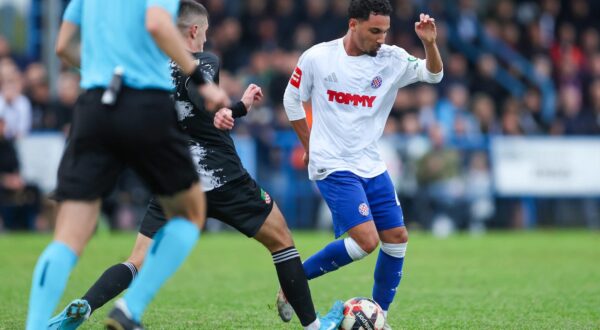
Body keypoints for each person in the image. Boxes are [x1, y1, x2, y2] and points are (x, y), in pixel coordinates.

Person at [47, 2, 343, 330]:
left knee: (137, 261)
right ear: (193, 31)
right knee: (282, 240)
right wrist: (217, 105)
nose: (205, 41)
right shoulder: (205, 61)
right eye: (204, 34)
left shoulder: (149, 68)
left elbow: (195, 109)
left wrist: (237, 108)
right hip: (223, 177)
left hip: (174, 177)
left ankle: (85, 306)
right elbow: (197, 91)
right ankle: (315, 327)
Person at [25, 0, 231, 329]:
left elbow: (63, 46)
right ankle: (129, 310)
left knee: (67, 237)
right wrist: (201, 79)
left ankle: (34, 326)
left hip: (94, 105)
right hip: (144, 103)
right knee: (190, 214)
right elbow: (156, 23)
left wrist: (100, 72)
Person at [280, 0, 444, 328]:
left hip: (370, 162)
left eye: (385, 30)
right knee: (367, 241)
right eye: (374, 31)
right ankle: (292, 284)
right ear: (353, 25)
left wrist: (430, 43)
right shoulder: (318, 57)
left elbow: (433, 75)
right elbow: (291, 98)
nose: (381, 38)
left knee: (396, 237)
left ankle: (378, 316)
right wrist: (309, 144)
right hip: (332, 163)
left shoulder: (391, 59)